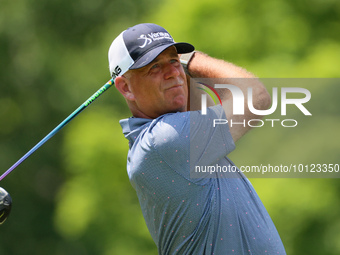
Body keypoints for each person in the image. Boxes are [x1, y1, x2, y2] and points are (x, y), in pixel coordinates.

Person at [108, 23, 286, 254]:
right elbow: (255, 97)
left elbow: (199, 101)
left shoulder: (167, 135)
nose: (172, 72)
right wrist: (192, 60)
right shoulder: (164, 140)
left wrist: (180, 71)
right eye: (154, 67)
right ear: (125, 88)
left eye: (173, 61)